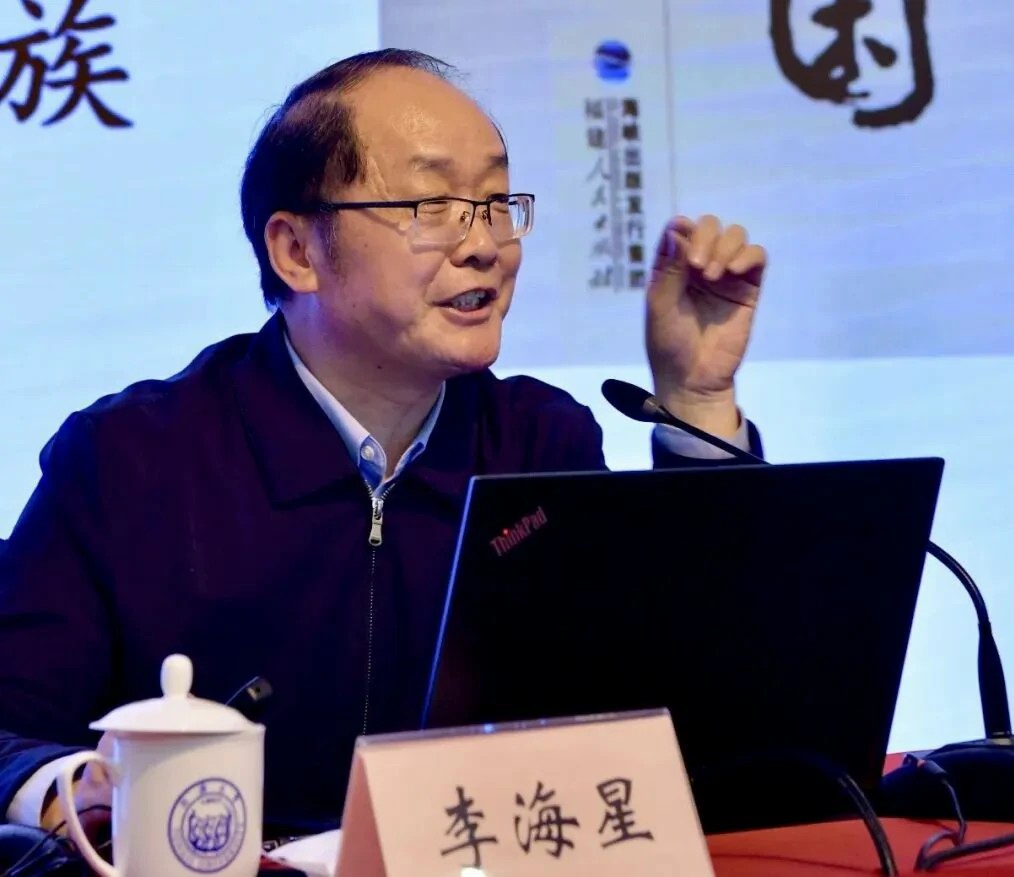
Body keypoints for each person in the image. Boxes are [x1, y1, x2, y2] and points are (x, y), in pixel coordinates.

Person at [0, 48, 768, 836]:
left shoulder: (540, 444)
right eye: (433, 205)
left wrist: (697, 400)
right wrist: (74, 793)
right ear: (297, 251)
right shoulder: (130, 460)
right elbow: (8, 730)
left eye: (496, 202)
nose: (485, 245)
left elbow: (710, 714)